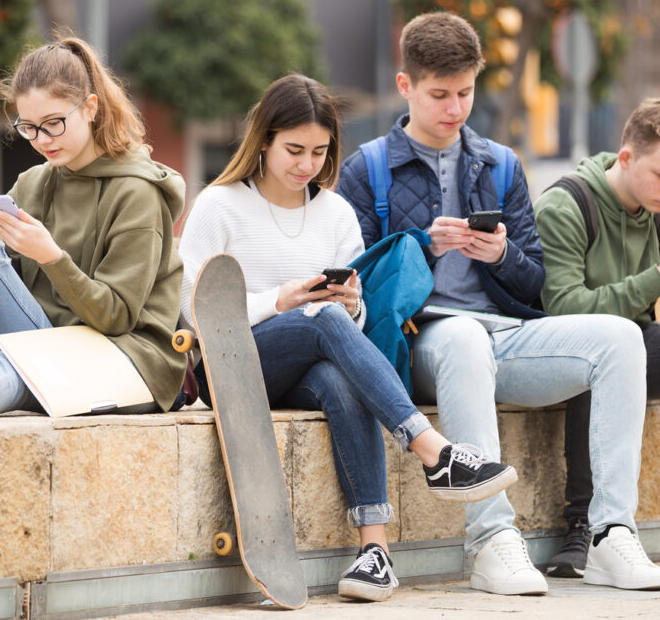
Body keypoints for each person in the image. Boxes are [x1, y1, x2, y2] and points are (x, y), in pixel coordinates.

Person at [338, 11, 660, 595]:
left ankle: (610, 533)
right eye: (439, 94)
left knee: (620, 337)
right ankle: (491, 539)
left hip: (504, 334)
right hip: (422, 339)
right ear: (405, 86)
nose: (455, 108)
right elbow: (352, 284)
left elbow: (536, 284)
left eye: (465, 92)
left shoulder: (502, 164)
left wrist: (500, 256)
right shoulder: (365, 169)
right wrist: (423, 247)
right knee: (463, 338)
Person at [178, 74, 517, 603]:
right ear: (263, 140)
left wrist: (352, 305)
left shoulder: (334, 212)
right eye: (293, 149)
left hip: (305, 362)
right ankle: (435, 452)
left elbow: (348, 330)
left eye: (319, 151)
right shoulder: (219, 205)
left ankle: (373, 552)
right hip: (234, 365)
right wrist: (282, 301)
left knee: (338, 374)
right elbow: (193, 314)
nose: (306, 164)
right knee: (322, 320)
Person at [534, 98, 660, 574]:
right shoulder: (565, 205)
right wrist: (657, 280)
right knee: (605, 343)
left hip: (639, 346)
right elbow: (563, 310)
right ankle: (583, 526)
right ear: (625, 158)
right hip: (558, 354)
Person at [0, 37, 186, 417]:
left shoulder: (137, 192)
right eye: (29, 127)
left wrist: (50, 256)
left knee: (13, 375)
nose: (42, 140)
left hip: (127, 359)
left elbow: (118, 317)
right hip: (52, 347)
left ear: (90, 107)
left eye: (53, 123)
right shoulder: (33, 183)